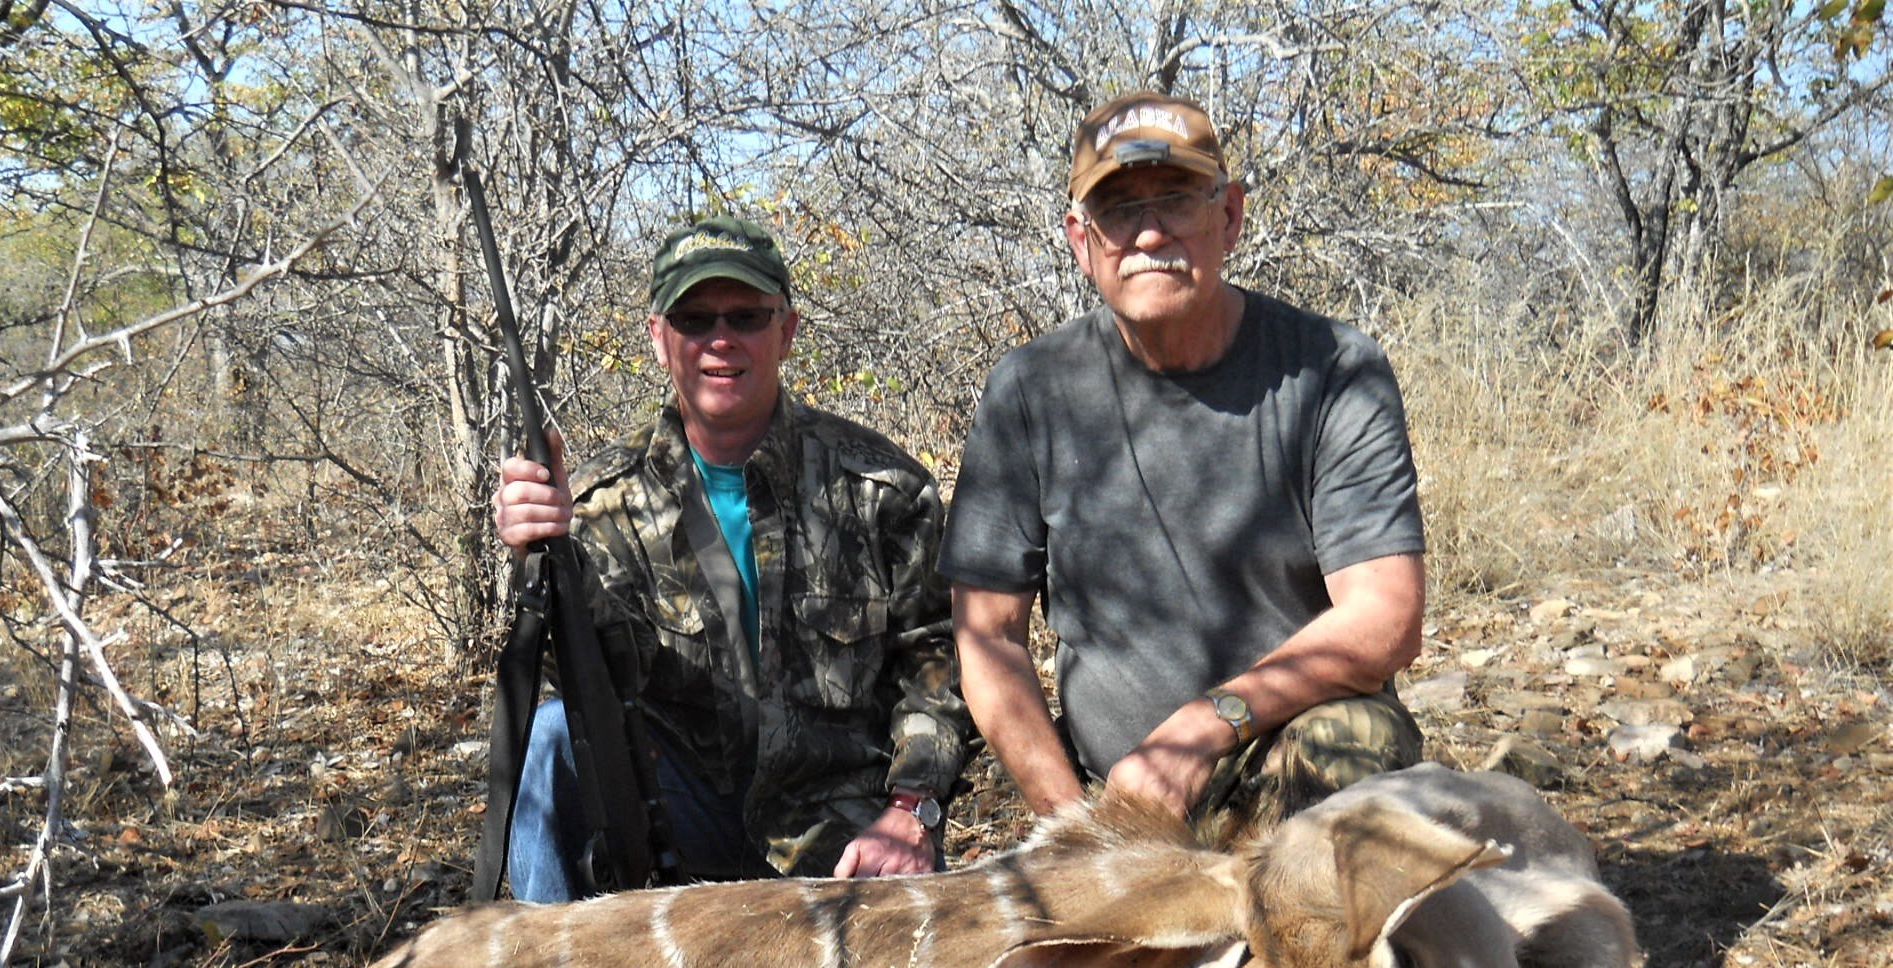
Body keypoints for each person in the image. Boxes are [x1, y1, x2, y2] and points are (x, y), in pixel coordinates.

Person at [940, 91, 1426, 840]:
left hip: (1284, 763)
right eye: (1119, 211)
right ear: (1081, 239)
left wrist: (1205, 727)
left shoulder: (1334, 368)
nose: (1149, 233)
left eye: (1176, 201)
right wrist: (1075, 828)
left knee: (1351, 746)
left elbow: (1385, 616)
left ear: (1228, 216)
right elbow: (989, 640)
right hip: (1118, 801)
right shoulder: (1029, 389)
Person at [493, 216, 970, 900]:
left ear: (787, 330)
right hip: (671, 822)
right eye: (694, 319)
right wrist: (538, 555)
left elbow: (942, 668)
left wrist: (909, 812)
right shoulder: (597, 503)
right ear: (659, 338)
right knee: (550, 738)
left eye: (746, 316)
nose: (720, 340)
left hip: (841, 832)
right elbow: (575, 682)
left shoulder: (884, 492)